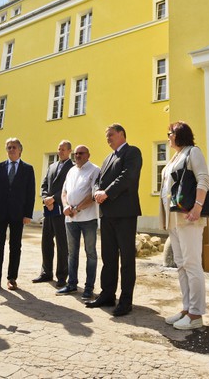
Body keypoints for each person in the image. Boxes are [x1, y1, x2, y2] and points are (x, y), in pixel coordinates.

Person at [159, 121, 209, 330]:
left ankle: (196, 314)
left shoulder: (193, 152)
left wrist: (198, 207)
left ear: (179, 134)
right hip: (174, 218)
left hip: (189, 216)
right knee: (180, 265)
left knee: (191, 264)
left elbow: (203, 180)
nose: (168, 136)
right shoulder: (176, 156)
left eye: (170, 133)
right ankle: (187, 308)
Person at [87, 124, 142, 317]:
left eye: (110, 135)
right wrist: (96, 192)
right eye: (106, 136)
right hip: (107, 214)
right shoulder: (107, 158)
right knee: (108, 257)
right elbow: (97, 181)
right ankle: (107, 294)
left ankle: (126, 300)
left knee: (126, 258)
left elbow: (127, 177)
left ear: (121, 134)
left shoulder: (132, 152)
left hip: (125, 213)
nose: (108, 138)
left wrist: (106, 193)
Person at [0, 138, 36, 292]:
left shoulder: (28, 169)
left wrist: (28, 214)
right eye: (8, 147)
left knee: (15, 246)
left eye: (14, 147)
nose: (11, 150)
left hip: (18, 214)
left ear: (20, 150)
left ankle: (12, 279)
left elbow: (30, 193)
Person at [59, 145, 100, 299]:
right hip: (70, 219)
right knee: (72, 253)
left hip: (88, 218)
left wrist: (77, 208)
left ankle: (89, 288)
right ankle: (71, 284)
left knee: (90, 253)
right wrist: (65, 206)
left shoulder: (95, 170)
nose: (78, 156)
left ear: (88, 155)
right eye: (76, 154)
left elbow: (92, 194)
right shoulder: (71, 171)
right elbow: (64, 192)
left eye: (81, 153)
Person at [33, 140, 73, 286]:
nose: (60, 152)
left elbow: (68, 188)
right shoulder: (52, 166)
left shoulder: (72, 168)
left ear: (69, 151)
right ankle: (46, 272)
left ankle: (62, 276)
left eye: (63, 149)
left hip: (61, 210)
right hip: (48, 211)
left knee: (62, 244)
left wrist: (53, 199)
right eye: (59, 149)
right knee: (46, 242)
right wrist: (45, 199)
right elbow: (44, 185)